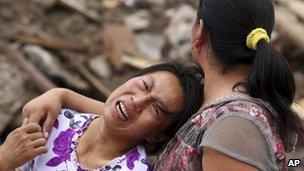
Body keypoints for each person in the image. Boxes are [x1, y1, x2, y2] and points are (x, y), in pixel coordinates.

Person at [23, 0, 304, 170]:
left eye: (157, 107)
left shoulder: (234, 124)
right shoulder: (220, 115)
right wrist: (63, 95)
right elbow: (131, 120)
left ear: (199, 32)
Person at [20, 61, 204, 170]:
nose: (137, 101)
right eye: (144, 85)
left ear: (157, 135)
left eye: (156, 108)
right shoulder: (56, 120)